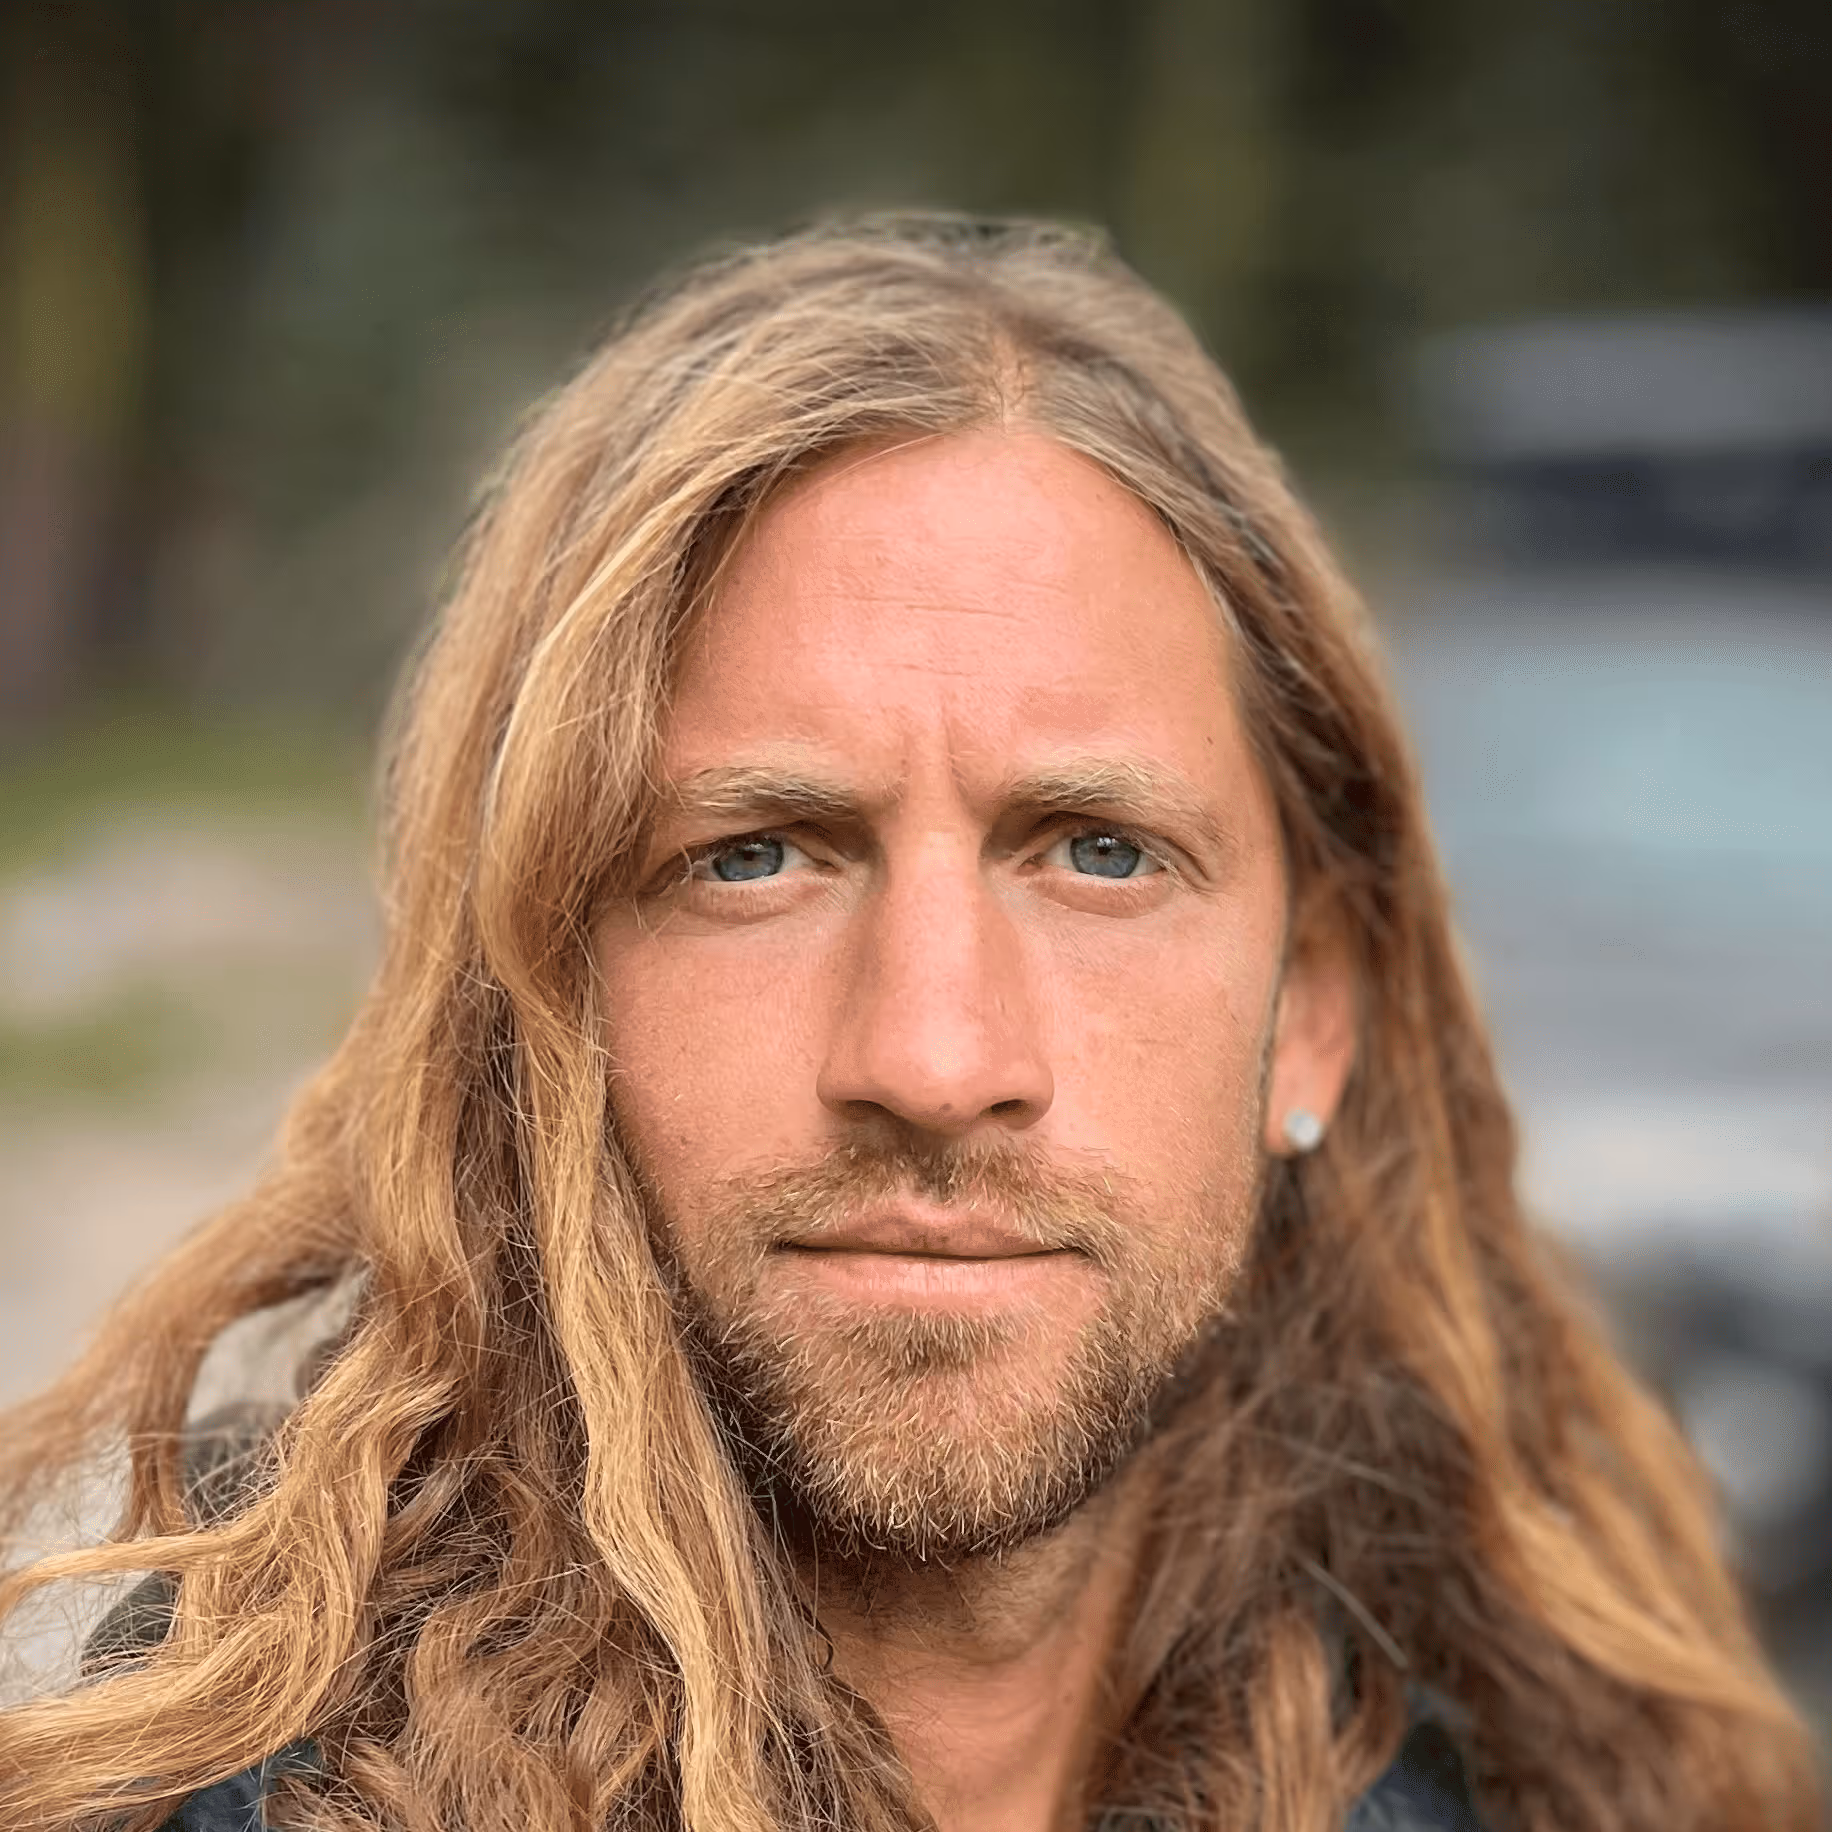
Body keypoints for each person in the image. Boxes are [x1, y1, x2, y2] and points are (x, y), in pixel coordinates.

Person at [0, 216, 1818, 1832]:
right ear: (539, 993)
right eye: (757, 857)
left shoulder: (1560, 1786)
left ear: (1313, 1017)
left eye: (1099, 853)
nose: (936, 1061)